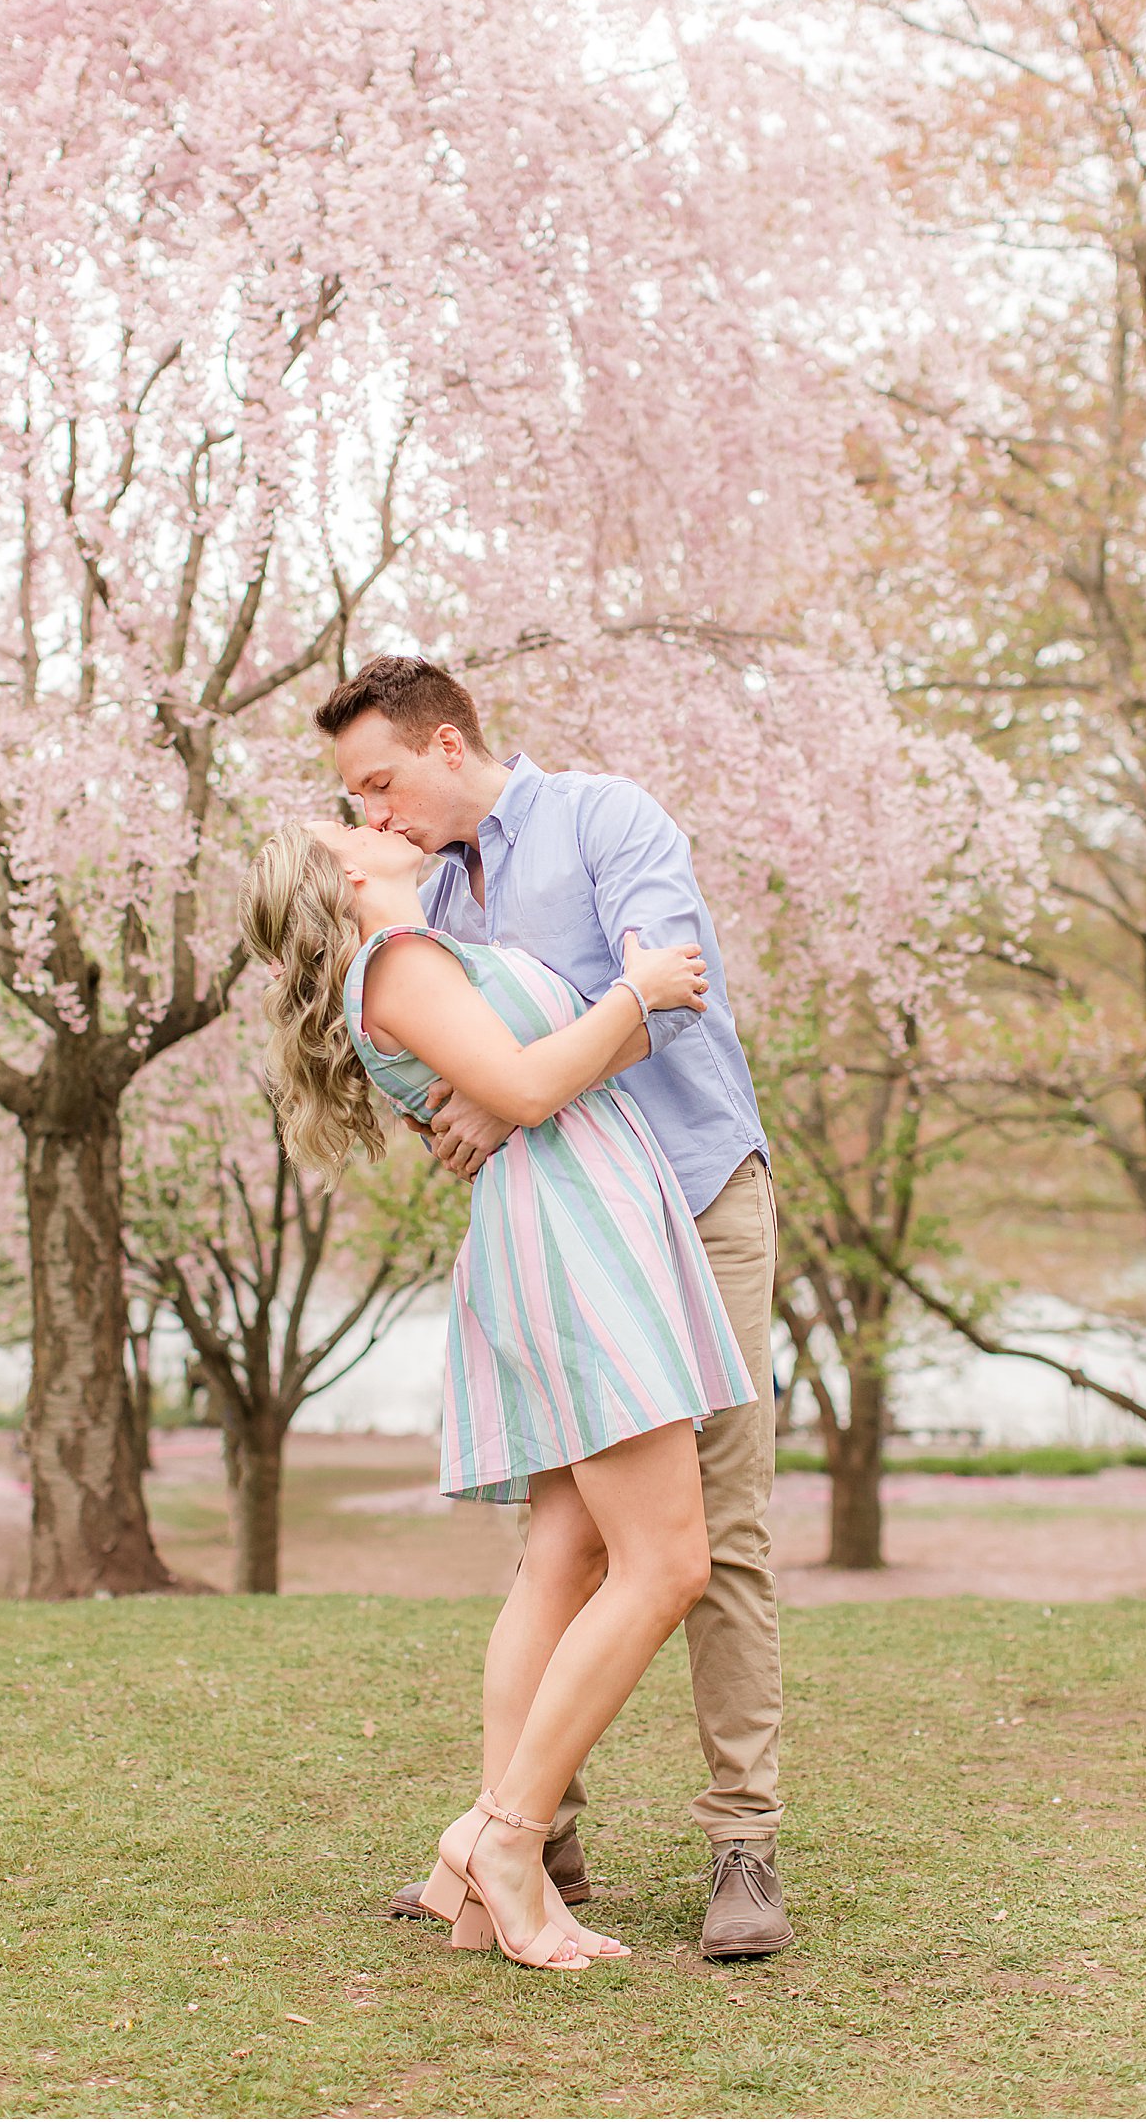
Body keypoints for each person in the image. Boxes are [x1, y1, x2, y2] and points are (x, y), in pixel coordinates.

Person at [314, 655, 792, 1962]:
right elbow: (462, 1078)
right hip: (576, 1231)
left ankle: (740, 1841)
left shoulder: (604, 819)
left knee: (717, 1527)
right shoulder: (423, 909)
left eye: (382, 779)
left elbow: (669, 987)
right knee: (566, 1540)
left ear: (449, 742)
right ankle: (532, 1829)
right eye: (354, 795)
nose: (375, 813)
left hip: (692, 1192)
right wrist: (485, 1094)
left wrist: (517, 1082)